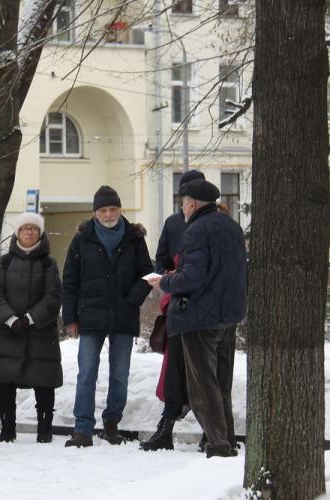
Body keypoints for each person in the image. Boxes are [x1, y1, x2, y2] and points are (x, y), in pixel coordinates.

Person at [148, 179, 247, 458]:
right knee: (221, 383)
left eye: (183, 203)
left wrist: (164, 282)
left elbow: (192, 277)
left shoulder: (196, 230)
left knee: (203, 386)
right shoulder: (231, 226)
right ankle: (225, 439)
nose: (183, 208)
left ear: (192, 203)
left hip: (199, 317)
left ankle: (218, 446)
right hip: (228, 316)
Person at [62, 186, 153, 448]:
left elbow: (147, 273)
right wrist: (70, 318)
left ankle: (111, 423)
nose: (109, 214)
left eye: (113, 209)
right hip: (91, 316)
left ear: (120, 209)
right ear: (96, 213)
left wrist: (132, 299)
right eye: (103, 210)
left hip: (124, 316)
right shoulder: (82, 238)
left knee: (120, 374)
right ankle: (83, 429)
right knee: (86, 372)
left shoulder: (135, 237)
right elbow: (70, 280)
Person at [141, 169, 205, 452]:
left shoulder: (212, 223)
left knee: (205, 371)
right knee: (174, 369)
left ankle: (212, 432)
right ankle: (166, 426)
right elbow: (161, 257)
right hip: (177, 305)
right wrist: (165, 275)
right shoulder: (173, 222)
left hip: (203, 308)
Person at [0, 212, 62, 443]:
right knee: (5, 380)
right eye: (25, 228)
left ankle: (44, 428)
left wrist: (30, 318)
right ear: (17, 233)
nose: (29, 232)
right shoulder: (5, 262)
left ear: (40, 233)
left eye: (34, 228)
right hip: (7, 331)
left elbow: (53, 296)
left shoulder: (49, 263)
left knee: (43, 380)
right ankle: (7, 428)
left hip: (40, 331)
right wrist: (10, 319)